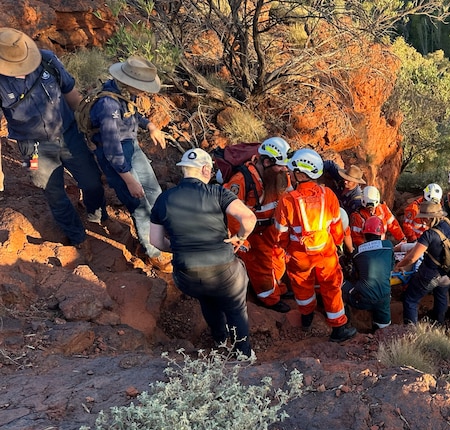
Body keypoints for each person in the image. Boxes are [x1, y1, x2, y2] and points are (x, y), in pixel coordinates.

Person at [0, 28, 107, 253]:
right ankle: (77, 236)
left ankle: (98, 217)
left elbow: (71, 93)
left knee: (92, 182)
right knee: (52, 191)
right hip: (32, 147)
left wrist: (90, 128)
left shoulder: (47, 59)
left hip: (69, 134)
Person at [149, 148, 257, 358]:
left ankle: (219, 339)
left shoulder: (163, 199)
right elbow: (249, 219)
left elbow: (155, 241)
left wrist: (181, 247)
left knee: (207, 300)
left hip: (187, 275)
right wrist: (240, 237)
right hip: (223, 271)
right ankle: (243, 354)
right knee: (235, 307)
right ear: (206, 169)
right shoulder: (218, 193)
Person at [89, 55, 171, 271]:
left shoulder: (122, 92)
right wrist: (128, 179)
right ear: (129, 82)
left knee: (155, 193)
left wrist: (150, 125)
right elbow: (111, 149)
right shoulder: (108, 105)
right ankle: (153, 252)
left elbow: (133, 115)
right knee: (140, 206)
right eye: (141, 87)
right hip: (116, 158)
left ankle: (160, 235)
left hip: (131, 146)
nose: (143, 92)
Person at [273, 148, 357, 342]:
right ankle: (338, 328)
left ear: (300, 173)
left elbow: (280, 232)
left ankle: (307, 317)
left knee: (302, 286)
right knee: (331, 286)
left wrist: (286, 249)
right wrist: (335, 245)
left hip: (299, 255)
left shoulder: (286, 201)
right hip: (325, 253)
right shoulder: (328, 195)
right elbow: (337, 228)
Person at [223, 136, 292, 311]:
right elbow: (232, 214)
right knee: (260, 265)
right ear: (267, 161)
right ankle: (269, 299)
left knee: (278, 258)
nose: (284, 168)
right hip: (252, 234)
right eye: (280, 165)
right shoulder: (241, 181)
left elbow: (290, 198)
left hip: (273, 229)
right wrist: (241, 239)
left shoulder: (280, 175)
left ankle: (279, 289)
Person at [394, 200, 450, 326]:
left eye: (424, 218)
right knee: (441, 295)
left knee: (410, 299)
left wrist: (399, 266)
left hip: (431, 274)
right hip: (448, 272)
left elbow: (412, 257)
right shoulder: (449, 226)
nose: (423, 221)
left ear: (430, 218)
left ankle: (410, 331)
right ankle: (439, 323)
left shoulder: (429, 235)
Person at [342, 216, 394, 332]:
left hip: (363, 300)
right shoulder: (389, 246)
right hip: (384, 297)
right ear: (381, 233)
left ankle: (345, 325)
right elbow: (390, 268)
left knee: (341, 284)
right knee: (384, 328)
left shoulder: (357, 252)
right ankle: (380, 328)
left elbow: (354, 275)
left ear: (364, 234)